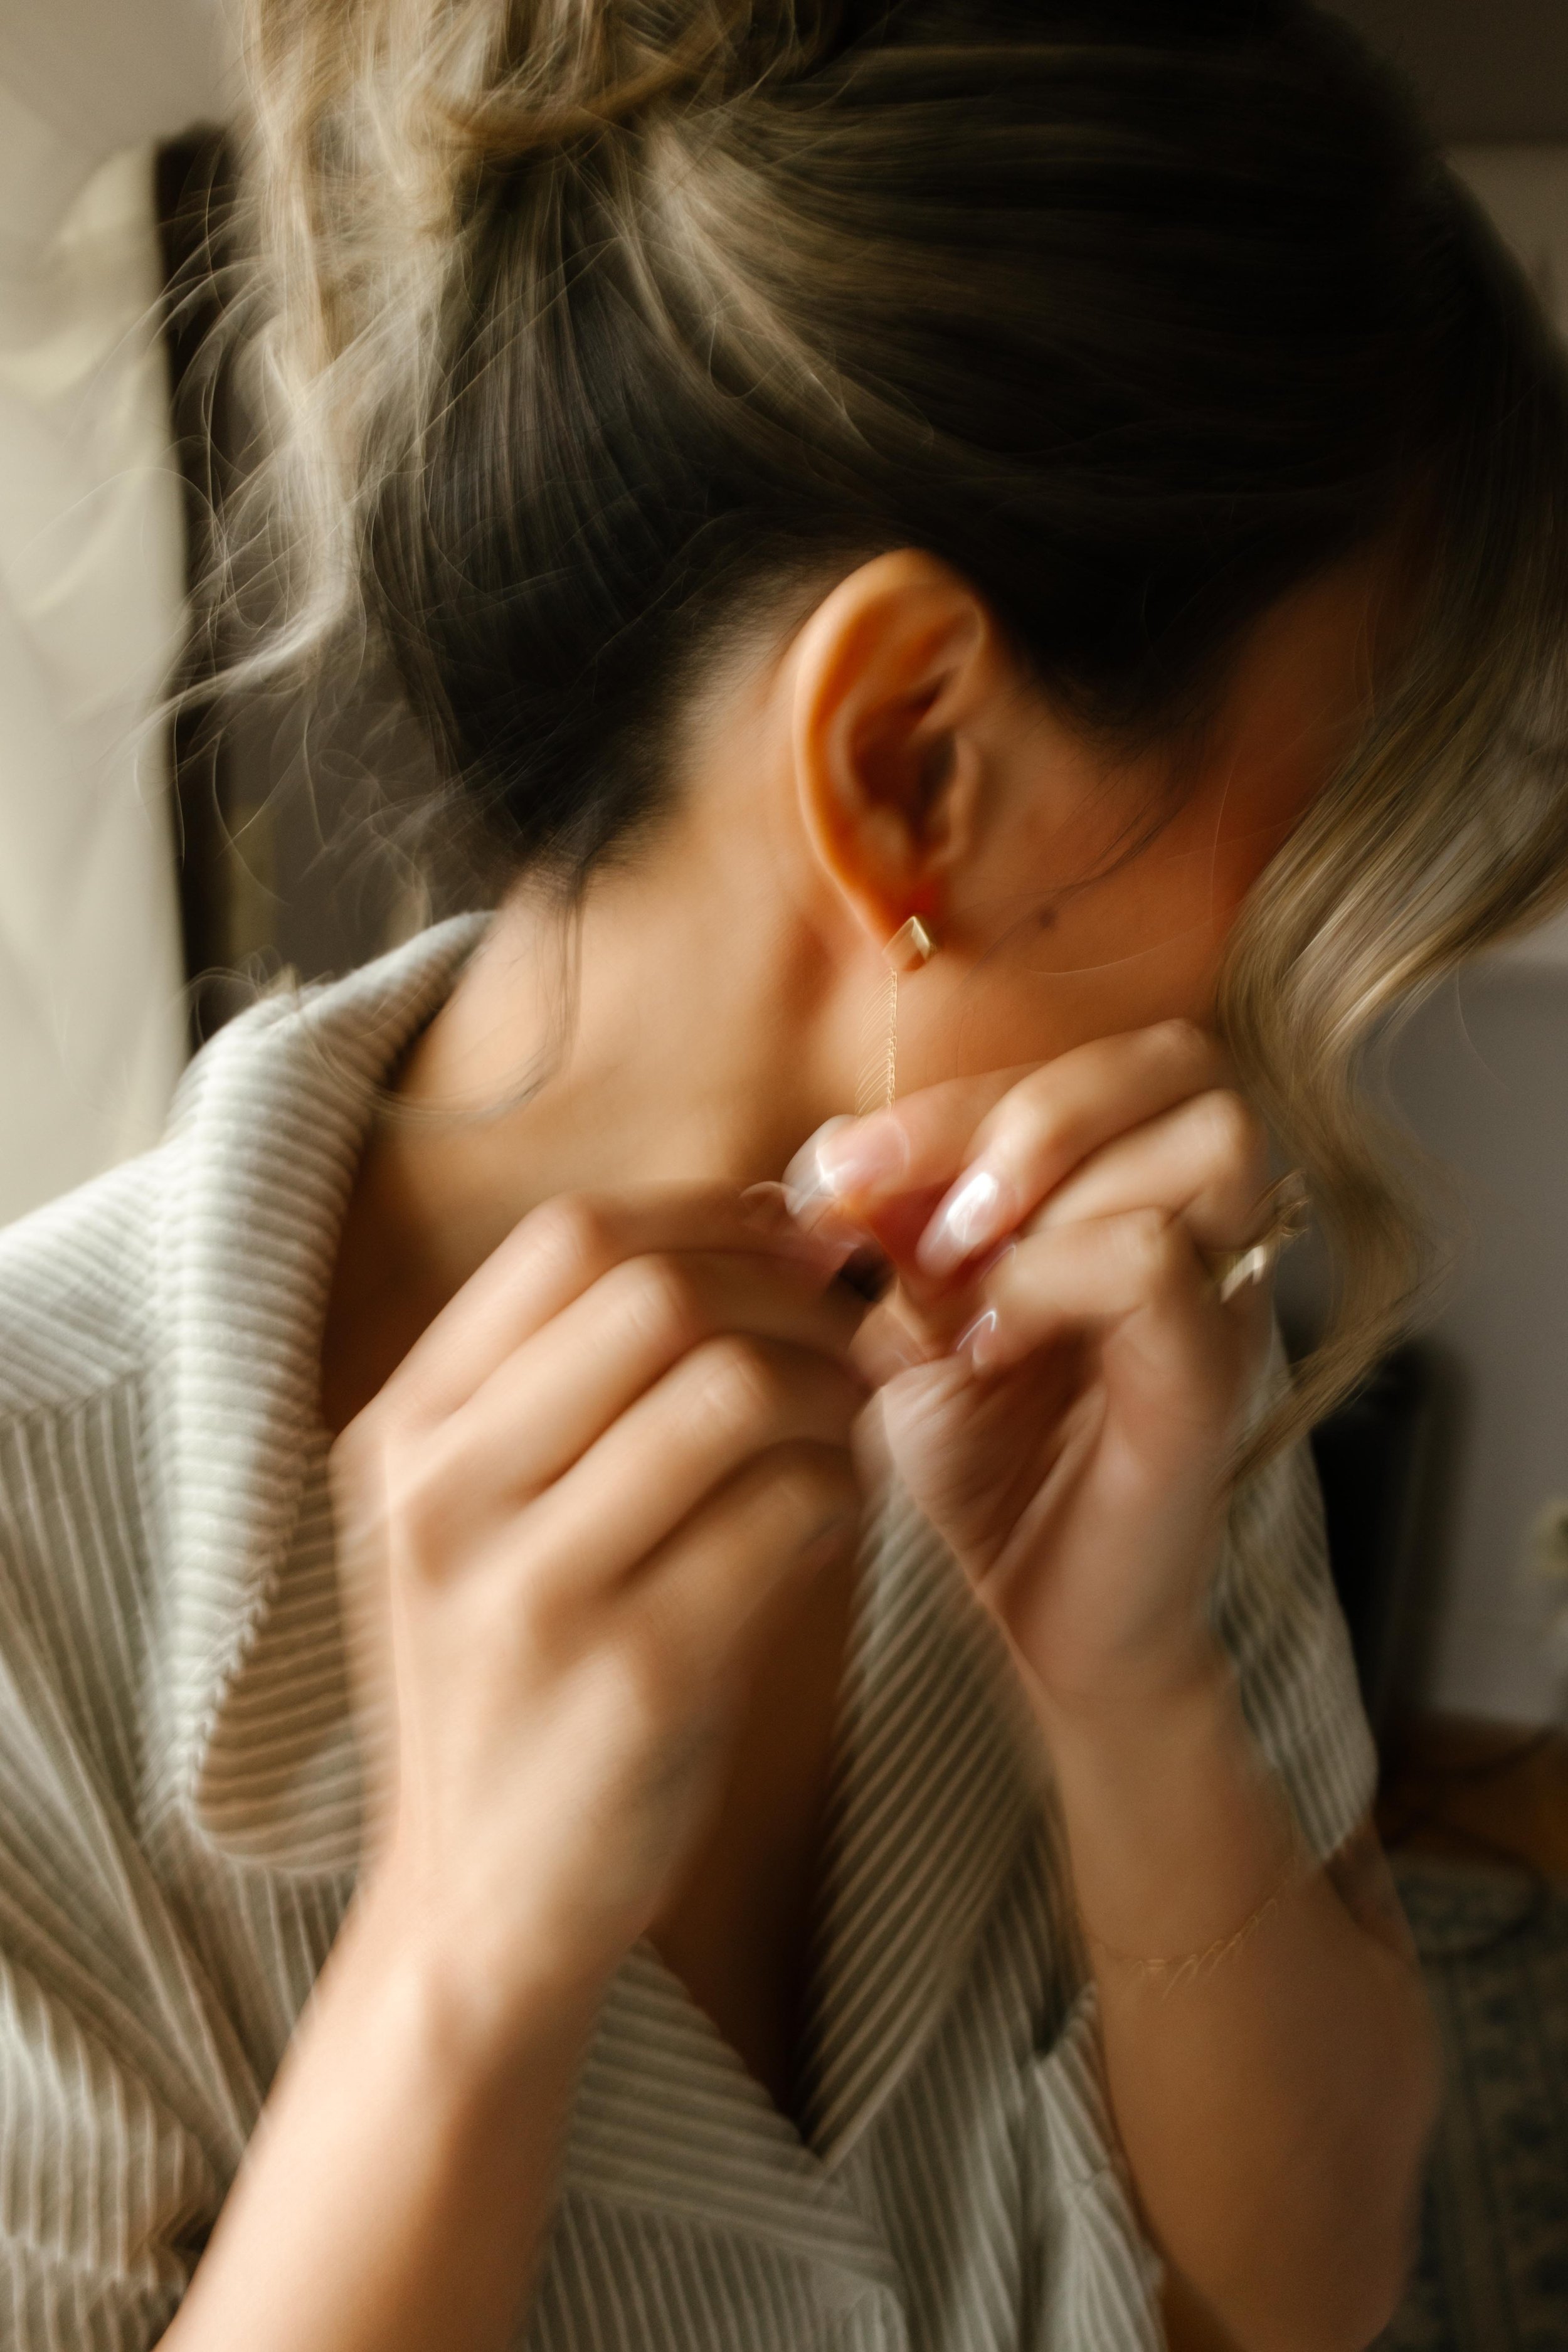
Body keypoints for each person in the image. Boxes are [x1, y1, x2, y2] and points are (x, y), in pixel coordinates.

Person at [5, 3, 1568, 2346]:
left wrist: (1133, 1693)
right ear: (908, 758)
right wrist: (462, 1959)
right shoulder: (34, 1579)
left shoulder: (1121, 1325)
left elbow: (1313, 2288)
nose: (1311, 986)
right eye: (1320, 816)